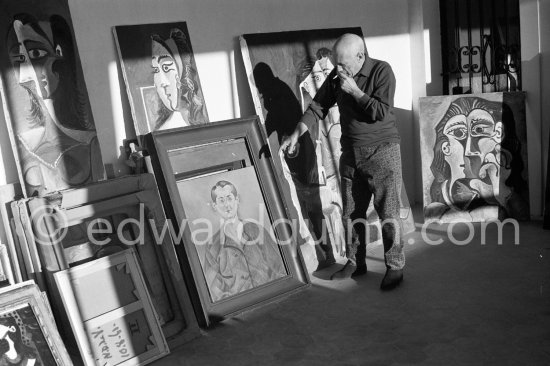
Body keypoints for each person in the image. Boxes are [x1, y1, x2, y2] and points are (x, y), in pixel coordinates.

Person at [281, 33, 405, 290]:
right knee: (351, 213)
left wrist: (356, 92)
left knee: (388, 210)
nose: (338, 69)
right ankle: (354, 262)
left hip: (382, 150)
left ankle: (395, 266)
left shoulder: (382, 71)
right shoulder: (338, 76)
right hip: (350, 152)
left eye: (343, 63)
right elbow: (318, 107)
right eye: (336, 63)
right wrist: (296, 133)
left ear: (361, 56)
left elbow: (381, 112)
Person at [7, 13, 103, 196]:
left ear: (61, 54)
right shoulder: (25, 143)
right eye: (19, 60)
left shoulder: (91, 143)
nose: (25, 75)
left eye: (35, 54)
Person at [426, 96, 529, 221]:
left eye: (479, 130)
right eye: (458, 133)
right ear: (445, 147)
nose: (469, 150)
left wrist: (501, 188)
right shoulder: (436, 202)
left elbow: (522, 217)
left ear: (498, 135)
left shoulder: (509, 191)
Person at [202, 180, 286, 302]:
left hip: (271, 298)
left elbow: (280, 268)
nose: (227, 205)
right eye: (221, 200)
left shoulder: (257, 231)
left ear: (237, 200)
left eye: (229, 198)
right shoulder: (212, 246)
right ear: (214, 206)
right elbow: (215, 292)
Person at [151, 28, 207, 130]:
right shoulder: (161, 127)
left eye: (166, 68)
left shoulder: (198, 120)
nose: (163, 83)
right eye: (156, 70)